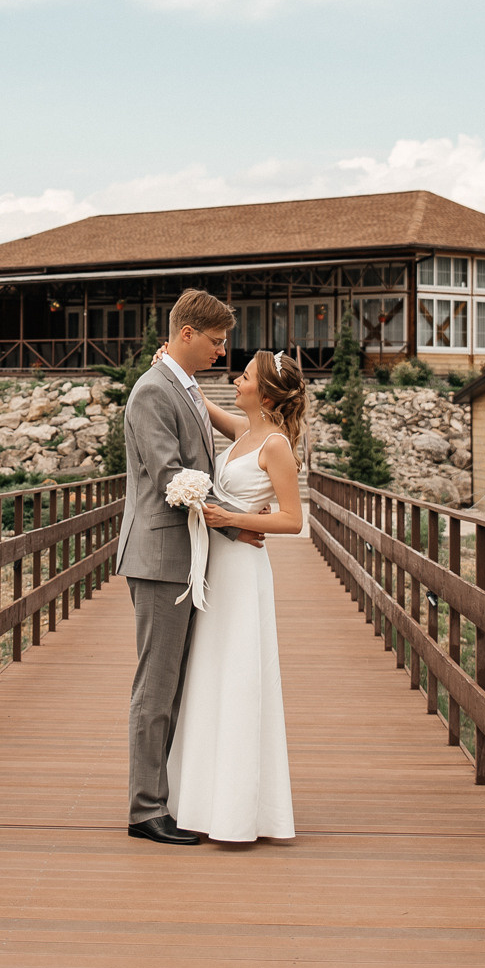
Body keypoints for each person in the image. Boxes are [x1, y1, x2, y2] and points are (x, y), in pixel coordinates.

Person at [117, 288, 261, 846]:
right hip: (161, 558)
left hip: (186, 556)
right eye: (216, 341)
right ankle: (145, 810)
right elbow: (171, 478)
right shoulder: (154, 391)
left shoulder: (183, 385)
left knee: (175, 685)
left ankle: (167, 798)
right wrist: (235, 525)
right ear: (187, 334)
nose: (223, 351)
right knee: (156, 689)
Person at [166, 348, 303, 842]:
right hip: (216, 566)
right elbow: (201, 404)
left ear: (264, 395)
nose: (235, 380)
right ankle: (200, 802)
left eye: (244, 377)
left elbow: (292, 519)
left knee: (240, 675)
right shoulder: (245, 432)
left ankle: (238, 811)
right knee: (210, 672)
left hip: (243, 569)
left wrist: (233, 519)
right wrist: (173, 364)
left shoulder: (276, 445)